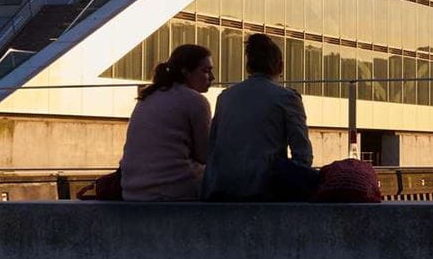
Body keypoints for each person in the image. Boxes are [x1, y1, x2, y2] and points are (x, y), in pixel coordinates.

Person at [202, 34, 317, 200]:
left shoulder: (225, 97)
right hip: (263, 189)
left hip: (223, 187)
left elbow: (212, 147)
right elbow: (303, 154)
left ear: (249, 67)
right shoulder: (287, 98)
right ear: (281, 66)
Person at [118, 44, 214, 201]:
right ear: (185, 72)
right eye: (206, 71)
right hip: (174, 188)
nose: (212, 77)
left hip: (132, 189)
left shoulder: (148, 96)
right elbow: (204, 155)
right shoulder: (196, 101)